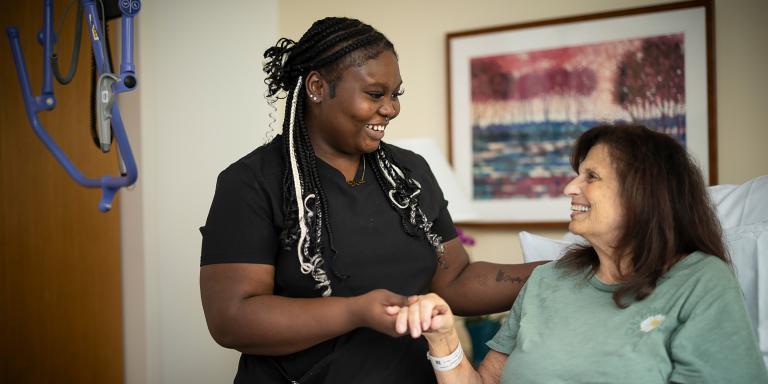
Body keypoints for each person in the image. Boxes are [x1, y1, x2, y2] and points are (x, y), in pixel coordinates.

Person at [199, 17, 540, 383]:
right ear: (317, 87)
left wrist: (557, 273)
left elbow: (454, 280)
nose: (391, 108)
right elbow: (232, 319)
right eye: (376, 94)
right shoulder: (251, 182)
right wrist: (356, 312)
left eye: (396, 95)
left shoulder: (410, 172)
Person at [391, 125, 768, 383]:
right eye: (577, 174)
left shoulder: (700, 282)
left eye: (591, 176)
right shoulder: (547, 281)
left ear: (643, 193)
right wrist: (443, 340)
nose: (570, 186)